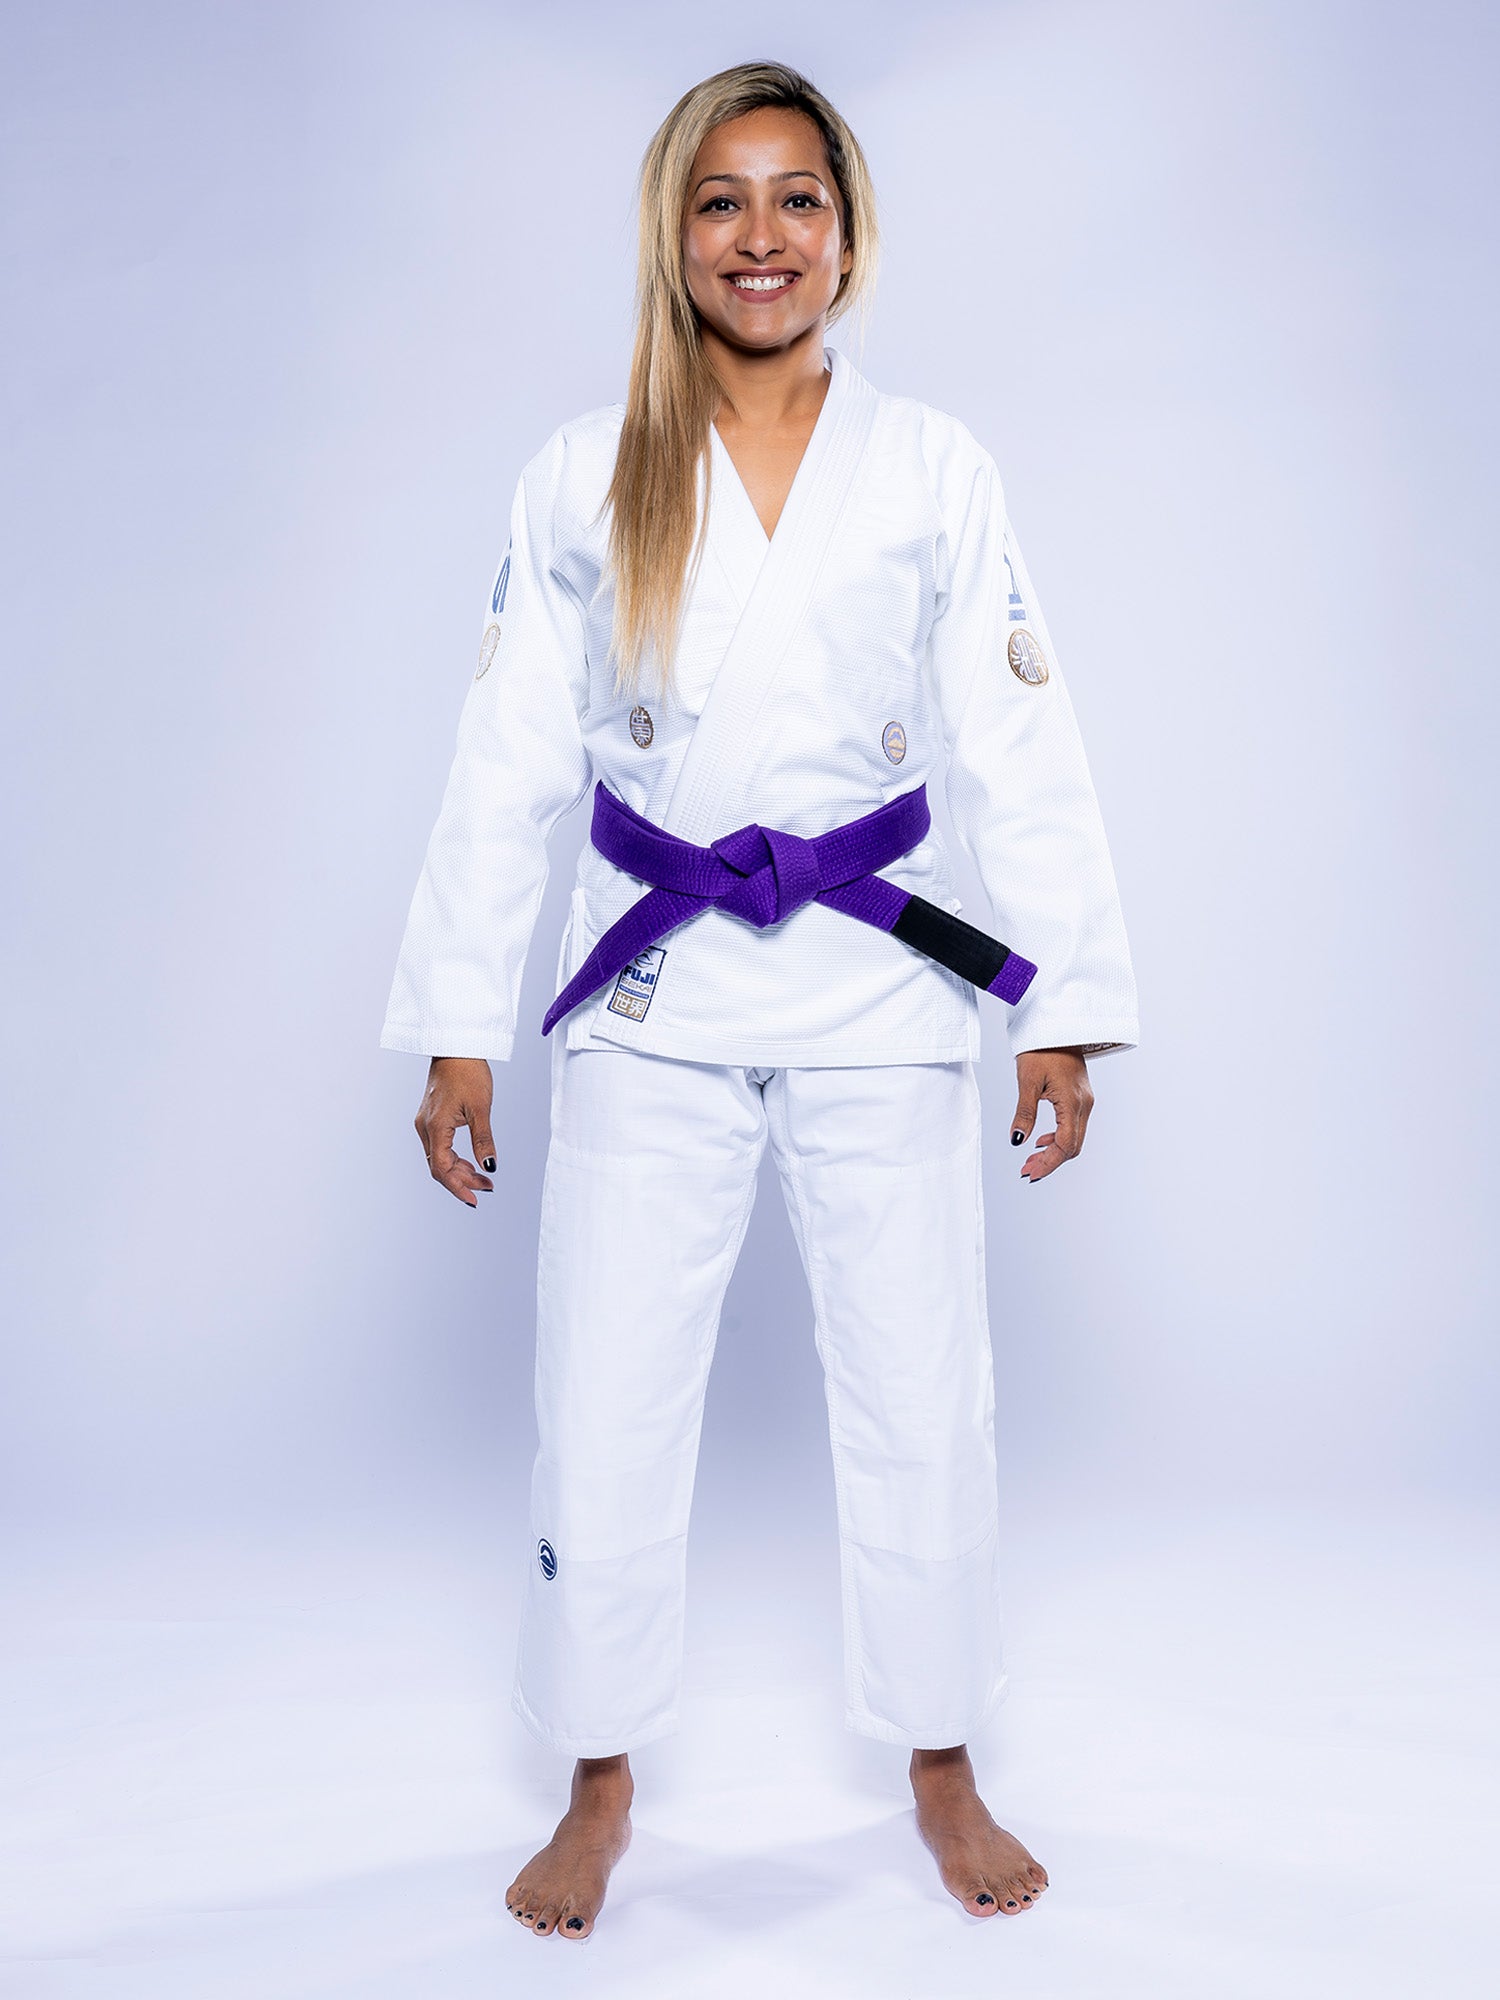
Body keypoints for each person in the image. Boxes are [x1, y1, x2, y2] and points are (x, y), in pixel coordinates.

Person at [380, 60, 1138, 1942]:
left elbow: (1018, 738)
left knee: (920, 1391)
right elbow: (504, 760)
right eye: (723, 201)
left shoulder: (936, 464)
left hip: (884, 973)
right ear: (673, 236)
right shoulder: (585, 470)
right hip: (656, 986)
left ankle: (943, 1761)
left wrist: (1061, 1002)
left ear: (853, 240)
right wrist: (461, 1018)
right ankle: (600, 1771)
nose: (762, 236)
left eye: (799, 199)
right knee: (609, 1389)